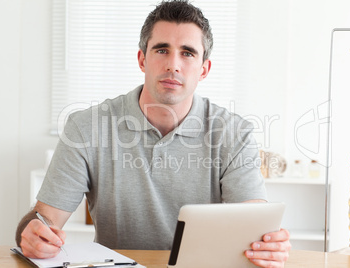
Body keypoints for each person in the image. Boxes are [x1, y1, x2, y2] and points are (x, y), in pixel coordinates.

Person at [16, 1, 291, 267]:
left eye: (187, 53)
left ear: (204, 69)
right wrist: (33, 234)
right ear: (142, 59)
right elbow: (45, 220)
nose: (173, 64)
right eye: (162, 50)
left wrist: (267, 244)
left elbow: (252, 223)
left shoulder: (235, 133)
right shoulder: (86, 128)